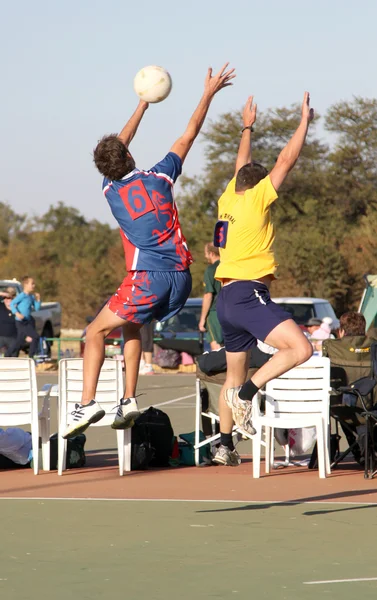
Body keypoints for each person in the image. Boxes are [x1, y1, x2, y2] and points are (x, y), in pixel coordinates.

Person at [63, 63, 236, 439]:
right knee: (131, 325)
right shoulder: (160, 177)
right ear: (130, 156)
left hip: (149, 277)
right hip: (181, 277)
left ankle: (88, 402)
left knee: (93, 333)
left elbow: (117, 150)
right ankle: (127, 399)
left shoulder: (110, 191)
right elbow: (189, 135)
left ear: (106, 169)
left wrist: (140, 106)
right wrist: (206, 94)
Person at [213, 93, 314, 466]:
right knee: (300, 349)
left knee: (232, 371)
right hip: (247, 292)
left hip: (225, 300)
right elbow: (287, 159)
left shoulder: (229, 198)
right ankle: (247, 396)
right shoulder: (256, 199)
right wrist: (304, 121)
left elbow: (242, 165)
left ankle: (224, 443)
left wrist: (247, 127)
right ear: (258, 189)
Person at [5, 277, 41, 359]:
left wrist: (38, 300)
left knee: (20, 341)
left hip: (27, 321)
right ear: (25, 285)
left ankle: (7, 354)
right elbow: (12, 304)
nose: (33, 286)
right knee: (35, 336)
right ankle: (31, 357)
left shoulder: (31, 297)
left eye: (34, 284)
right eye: (32, 284)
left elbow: (36, 308)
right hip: (21, 322)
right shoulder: (22, 296)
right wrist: (17, 313)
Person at [198, 243, 223, 350]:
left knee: (217, 346)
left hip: (215, 312)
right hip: (232, 310)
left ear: (212, 254)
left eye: (206, 254)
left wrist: (202, 319)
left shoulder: (211, 269)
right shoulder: (230, 267)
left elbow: (208, 295)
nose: (205, 256)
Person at [0, 288, 18, 355]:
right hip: (0, 338)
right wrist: (3, 294)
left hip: (14, 339)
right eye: (5, 298)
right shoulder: (1, 306)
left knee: (13, 361)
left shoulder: (19, 309)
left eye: (10, 298)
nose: (7, 300)